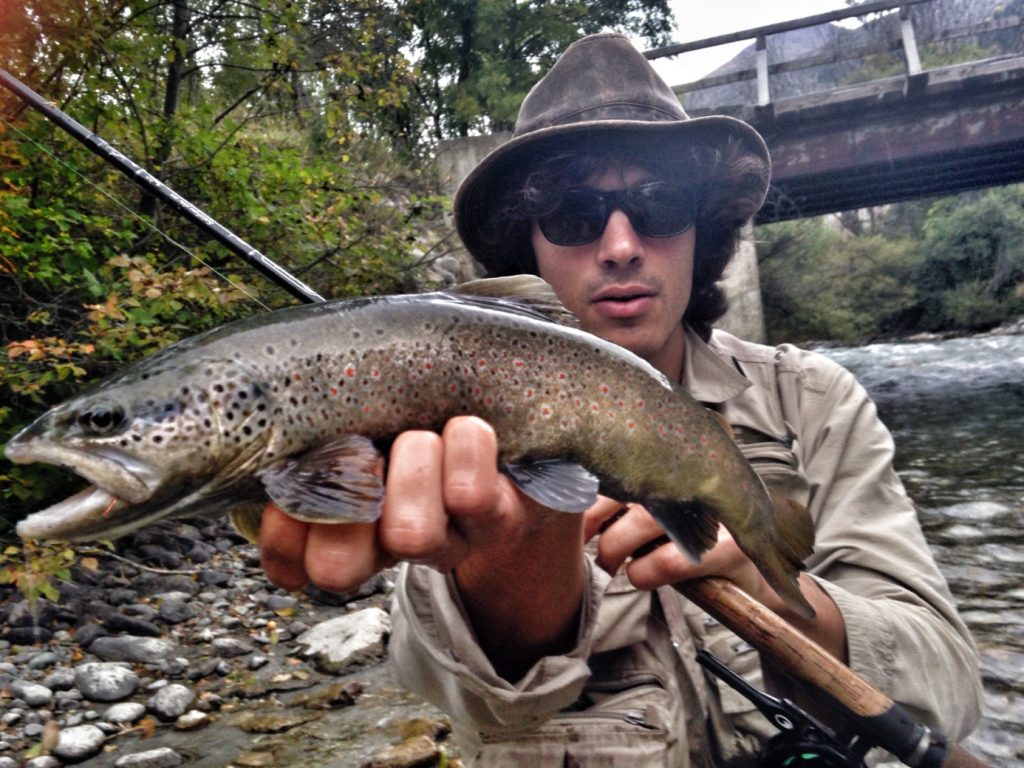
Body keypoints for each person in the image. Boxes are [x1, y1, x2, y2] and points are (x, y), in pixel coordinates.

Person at [259, 33, 982, 766]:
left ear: (703, 229)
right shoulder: (445, 415)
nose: (621, 244)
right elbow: (448, 689)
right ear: (527, 247)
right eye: (575, 215)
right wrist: (515, 565)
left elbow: (949, 686)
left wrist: (766, 586)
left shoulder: (813, 400)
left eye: (659, 204)